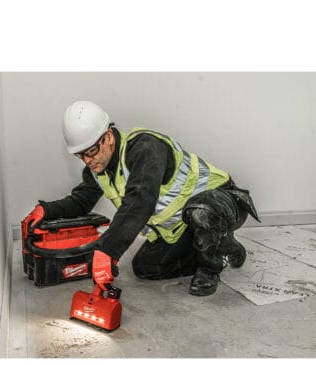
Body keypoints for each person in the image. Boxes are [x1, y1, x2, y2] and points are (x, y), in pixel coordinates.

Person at [25, 101, 260, 296]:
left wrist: (108, 250)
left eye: (91, 151)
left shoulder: (145, 148)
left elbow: (140, 201)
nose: (87, 160)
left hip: (222, 201)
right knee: (145, 267)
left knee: (201, 212)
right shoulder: (98, 169)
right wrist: (46, 210)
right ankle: (224, 247)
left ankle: (211, 266)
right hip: (183, 225)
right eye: (80, 155)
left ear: (108, 137)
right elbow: (81, 201)